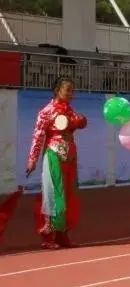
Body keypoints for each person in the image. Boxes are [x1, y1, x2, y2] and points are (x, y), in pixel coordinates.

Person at [26, 77, 87, 249]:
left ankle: (62, 234)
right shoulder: (47, 111)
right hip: (54, 156)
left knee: (69, 196)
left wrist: (80, 121)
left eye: (72, 91)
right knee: (54, 195)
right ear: (58, 91)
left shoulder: (69, 110)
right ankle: (48, 235)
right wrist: (32, 159)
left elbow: (81, 122)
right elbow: (38, 136)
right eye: (68, 90)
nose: (71, 94)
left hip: (70, 157)